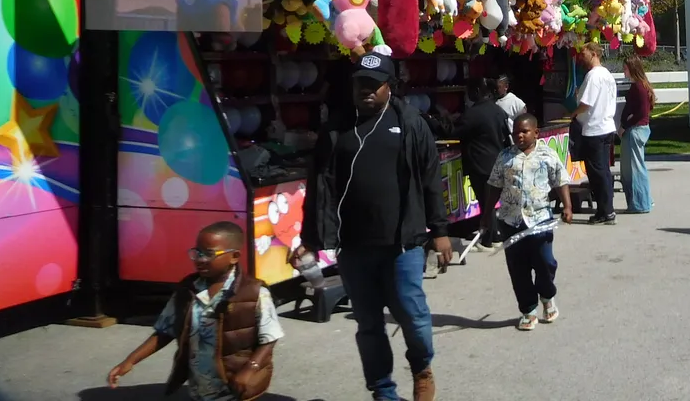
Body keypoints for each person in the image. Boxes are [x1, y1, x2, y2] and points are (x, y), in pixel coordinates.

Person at [296, 52, 452, 401]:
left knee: (412, 315)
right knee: (368, 325)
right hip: (353, 246)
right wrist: (309, 237)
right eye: (359, 84)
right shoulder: (336, 128)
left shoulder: (411, 123)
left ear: (389, 87)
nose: (365, 91)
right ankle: (383, 390)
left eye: (373, 85)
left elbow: (431, 180)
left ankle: (421, 368)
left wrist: (439, 232)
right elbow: (319, 185)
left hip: (402, 244)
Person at [108, 221, 281, 401]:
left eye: (209, 254)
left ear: (234, 257)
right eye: (197, 252)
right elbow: (165, 331)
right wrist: (131, 360)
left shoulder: (254, 292)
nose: (200, 259)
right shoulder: (187, 290)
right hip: (199, 387)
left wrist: (251, 368)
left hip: (235, 385)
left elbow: (270, 337)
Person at [485, 113, 574, 330]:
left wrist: (567, 206)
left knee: (545, 262)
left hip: (540, 220)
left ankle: (547, 295)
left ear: (536, 132)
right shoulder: (505, 157)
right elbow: (494, 185)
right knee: (518, 268)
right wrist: (486, 214)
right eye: (516, 132)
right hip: (511, 221)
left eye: (524, 131)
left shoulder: (547, 155)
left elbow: (560, 181)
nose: (520, 136)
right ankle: (528, 309)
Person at [456, 79, 512, 246]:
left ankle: (489, 239)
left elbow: (454, 131)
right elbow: (506, 135)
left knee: (485, 201)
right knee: (490, 201)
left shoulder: (473, 113)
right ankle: (493, 234)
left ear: (477, 91)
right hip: (497, 161)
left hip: (480, 164)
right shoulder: (498, 111)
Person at [570, 42, 617, 224]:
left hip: (594, 129)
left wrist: (573, 113)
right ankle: (606, 209)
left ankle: (606, 211)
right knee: (603, 171)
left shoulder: (593, 76)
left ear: (594, 53)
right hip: (605, 126)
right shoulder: (607, 75)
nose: (581, 56)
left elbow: (586, 103)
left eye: (584, 53)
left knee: (597, 173)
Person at [620, 55, 656, 213]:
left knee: (634, 169)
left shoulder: (638, 87)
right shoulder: (642, 86)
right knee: (635, 167)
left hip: (635, 130)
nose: (624, 71)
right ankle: (643, 201)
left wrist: (625, 124)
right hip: (637, 129)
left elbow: (641, 112)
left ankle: (640, 203)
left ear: (632, 68)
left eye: (626, 68)